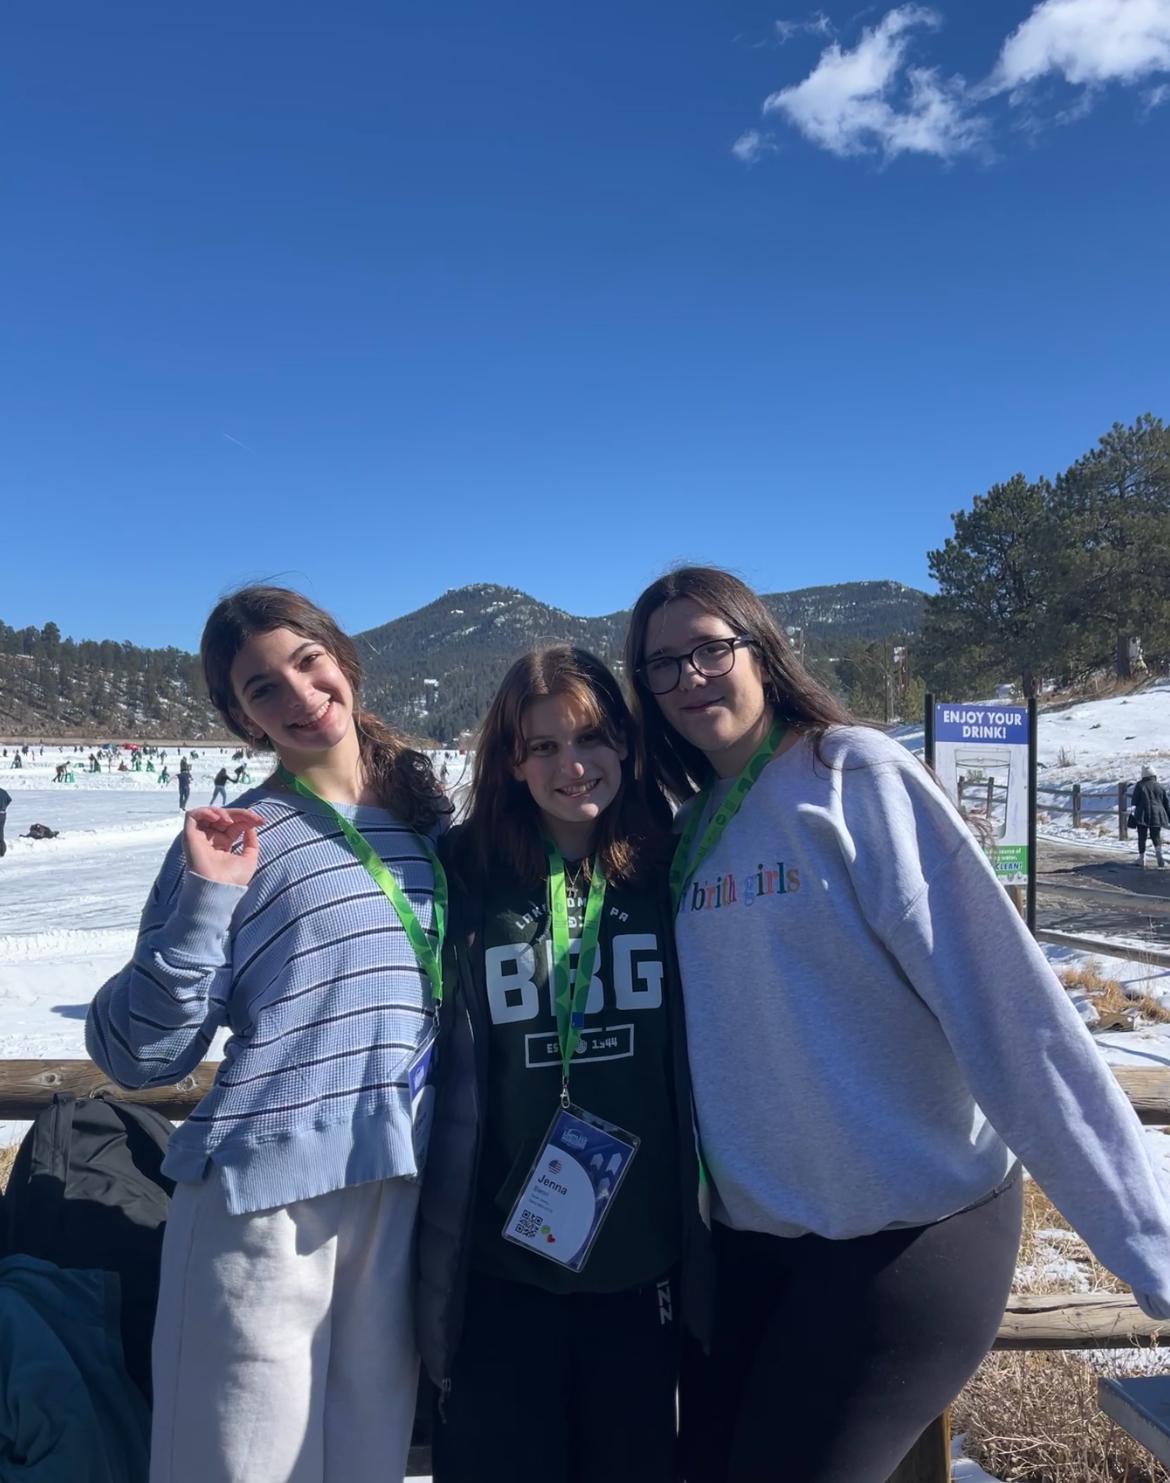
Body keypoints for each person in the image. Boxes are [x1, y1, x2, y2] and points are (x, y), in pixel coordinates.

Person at [623, 565, 1170, 1483]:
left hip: (907, 1232)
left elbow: (1011, 1013)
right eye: (662, 665)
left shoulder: (853, 776)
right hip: (760, 1245)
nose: (690, 679)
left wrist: (1146, 1246)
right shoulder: (693, 829)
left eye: (711, 648)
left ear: (762, 649)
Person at [86, 585, 451, 1483]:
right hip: (265, 1202)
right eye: (261, 688)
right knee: (239, 1468)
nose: (297, 694)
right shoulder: (236, 834)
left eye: (305, 661)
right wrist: (205, 900)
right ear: (239, 717)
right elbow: (140, 1052)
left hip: (400, 1190)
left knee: (366, 1465)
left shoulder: (427, 826)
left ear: (343, 660)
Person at [418, 646, 709, 1483]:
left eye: (589, 738)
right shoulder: (466, 871)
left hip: (641, 1269)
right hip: (500, 1273)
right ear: (511, 760)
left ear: (626, 743)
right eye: (542, 746)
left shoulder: (670, 866)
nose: (571, 766)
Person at [1131, 764, 1168, 869]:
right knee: (1156, 835)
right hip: (1157, 813)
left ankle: (1142, 858)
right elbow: (1166, 802)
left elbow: (1134, 801)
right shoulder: (1159, 786)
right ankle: (1159, 855)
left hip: (1142, 814)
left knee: (1142, 836)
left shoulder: (1140, 785)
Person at [0, 784, 10, 858]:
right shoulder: (4, 792)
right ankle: (2, 850)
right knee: (1, 832)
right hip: (3, 814)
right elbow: (9, 800)